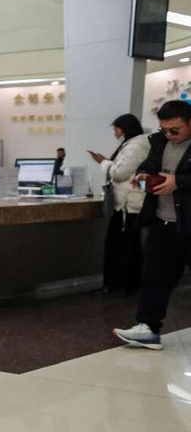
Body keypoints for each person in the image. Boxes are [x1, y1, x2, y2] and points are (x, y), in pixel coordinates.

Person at [114, 101, 191, 350]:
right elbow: (149, 164)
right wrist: (143, 175)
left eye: (175, 130)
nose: (168, 135)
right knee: (154, 276)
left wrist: (178, 181)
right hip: (162, 221)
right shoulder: (159, 141)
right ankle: (148, 328)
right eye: (164, 129)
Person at [88, 114, 149, 296]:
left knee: (119, 247)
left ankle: (118, 286)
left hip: (126, 205)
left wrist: (104, 162)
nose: (115, 133)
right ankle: (126, 285)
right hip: (129, 203)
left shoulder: (135, 146)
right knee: (128, 246)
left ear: (125, 129)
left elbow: (120, 173)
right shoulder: (136, 145)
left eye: (116, 129)